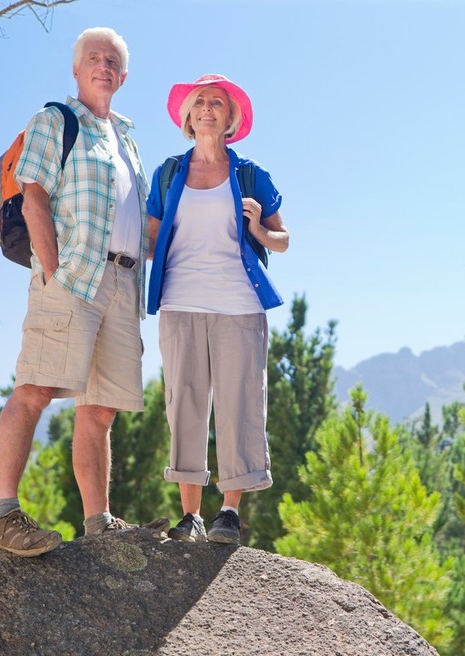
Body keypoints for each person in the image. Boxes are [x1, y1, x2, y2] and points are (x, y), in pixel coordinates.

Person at [0, 27, 163, 557]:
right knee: (36, 388)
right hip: (72, 276)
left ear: (123, 76)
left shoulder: (127, 138)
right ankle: (3, 517)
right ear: (77, 70)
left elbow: (143, 222)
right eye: (93, 58)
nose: (103, 65)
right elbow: (34, 196)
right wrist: (53, 268)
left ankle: (98, 522)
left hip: (124, 282)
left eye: (112, 60)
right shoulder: (55, 121)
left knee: (100, 407)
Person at [146, 74, 289, 544]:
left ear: (230, 118)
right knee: (184, 402)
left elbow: (282, 239)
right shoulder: (168, 173)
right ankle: (191, 515)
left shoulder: (251, 174)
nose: (208, 108)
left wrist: (259, 230)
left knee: (239, 403)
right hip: (180, 301)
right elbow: (150, 237)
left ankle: (229, 511)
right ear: (188, 117)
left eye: (217, 103)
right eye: (200, 102)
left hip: (240, 304)